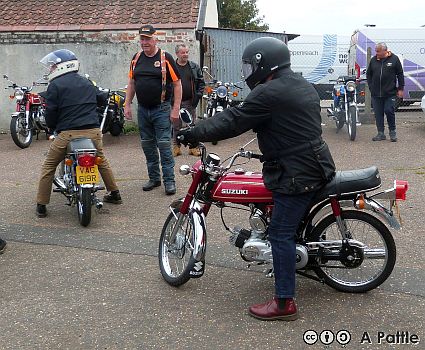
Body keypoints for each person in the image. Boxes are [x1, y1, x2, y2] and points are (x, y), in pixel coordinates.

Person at [177, 37, 335, 321]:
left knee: (281, 235)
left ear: (264, 63)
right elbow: (290, 128)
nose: (248, 72)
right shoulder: (302, 84)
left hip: (297, 174)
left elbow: (233, 120)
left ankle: (284, 304)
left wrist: (194, 132)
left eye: (249, 66)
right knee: (284, 225)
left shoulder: (268, 93)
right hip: (312, 164)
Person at [36, 49, 122, 218]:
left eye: (53, 66)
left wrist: (51, 129)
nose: (51, 69)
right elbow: (102, 98)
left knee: (49, 166)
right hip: (93, 133)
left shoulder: (55, 85)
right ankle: (115, 193)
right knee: (101, 161)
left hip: (67, 134)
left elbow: (51, 113)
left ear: (62, 66)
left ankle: (41, 204)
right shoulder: (87, 82)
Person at [124, 25, 182, 195]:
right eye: (142, 39)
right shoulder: (136, 58)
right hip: (143, 110)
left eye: (148, 39)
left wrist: (175, 109)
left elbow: (178, 84)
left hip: (161, 109)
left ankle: (169, 181)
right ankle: (154, 178)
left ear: (155, 39)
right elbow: (132, 83)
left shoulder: (165, 58)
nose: (144, 42)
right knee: (148, 145)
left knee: (164, 145)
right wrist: (127, 104)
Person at [366, 42, 404, 142]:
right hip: (376, 93)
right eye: (376, 51)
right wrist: (371, 86)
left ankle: (392, 132)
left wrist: (400, 88)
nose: (376, 53)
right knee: (378, 114)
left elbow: (400, 74)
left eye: (378, 51)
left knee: (389, 111)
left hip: (389, 93)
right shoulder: (374, 60)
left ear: (385, 50)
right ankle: (381, 133)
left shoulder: (394, 59)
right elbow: (368, 74)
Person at [172, 44, 205, 157]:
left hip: (190, 101)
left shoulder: (194, 67)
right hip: (175, 102)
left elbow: (201, 83)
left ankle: (193, 147)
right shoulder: (172, 67)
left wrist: (198, 95)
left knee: (192, 125)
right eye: (183, 52)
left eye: (187, 52)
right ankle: (176, 147)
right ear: (177, 54)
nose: (185, 54)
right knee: (176, 126)